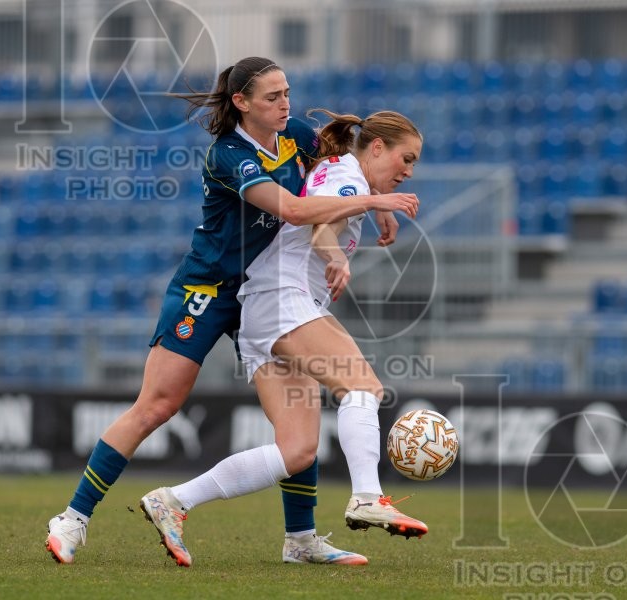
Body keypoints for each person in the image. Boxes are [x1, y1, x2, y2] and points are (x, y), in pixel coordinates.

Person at [45, 57, 419, 566]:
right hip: (210, 286)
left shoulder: (299, 135)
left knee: (299, 439)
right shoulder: (229, 156)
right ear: (242, 103)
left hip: (263, 288)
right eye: (272, 96)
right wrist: (376, 204)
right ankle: (74, 518)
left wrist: (363, 206)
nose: (285, 103)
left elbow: (333, 183)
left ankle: (300, 538)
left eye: (287, 92)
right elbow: (293, 209)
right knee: (158, 404)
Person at [140, 108, 426, 566]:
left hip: (266, 309)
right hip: (282, 299)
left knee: (296, 451)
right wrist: (338, 254)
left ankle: (173, 500)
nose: (409, 171)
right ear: (376, 147)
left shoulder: (344, 173)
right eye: (405, 158)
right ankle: (367, 497)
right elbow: (321, 231)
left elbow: (331, 206)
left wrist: (373, 209)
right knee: (363, 387)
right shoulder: (350, 179)